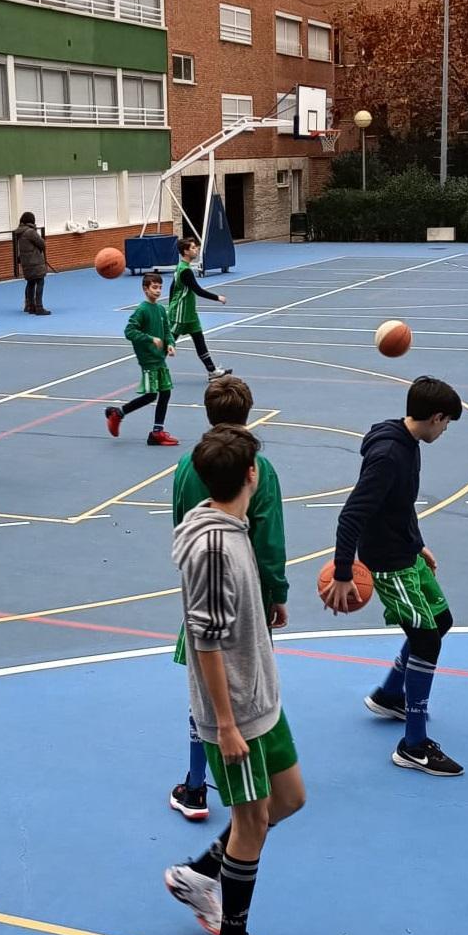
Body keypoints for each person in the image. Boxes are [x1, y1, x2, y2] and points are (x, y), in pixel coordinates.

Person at [164, 424, 306, 935]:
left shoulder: (229, 528)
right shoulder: (215, 547)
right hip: (237, 714)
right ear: (253, 476)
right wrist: (224, 725)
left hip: (261, 699)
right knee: (252, 820)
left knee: (289, 799)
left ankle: (201, 873)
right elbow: (205, 640)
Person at [322, 376, 464, 777]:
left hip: (406, 552)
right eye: (447, 422)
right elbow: (351, 515)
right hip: (388, 563)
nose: (446, 429)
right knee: (426, 641)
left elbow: (398, 505)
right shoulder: (388, 455)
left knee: (441, 622)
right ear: (435, 417)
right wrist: (345, 572)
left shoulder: (405, 440)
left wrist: (417, 542)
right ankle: (413, 745)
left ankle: (390, 695)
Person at [168, 376, 289, 822]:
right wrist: (276, 592)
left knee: (204, 687)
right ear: (249, 413)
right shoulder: (260, 469)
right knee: (248, 686)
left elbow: (181, 520)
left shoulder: (187, 464)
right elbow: (270, 537)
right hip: (246, 594)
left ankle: (196, 784)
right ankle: (255, 778)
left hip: (201, 589)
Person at [105, 272, 178, 446]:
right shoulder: (142, 310)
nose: (158, 290)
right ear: (145, 289)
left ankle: (157, 431)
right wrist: (150, 338)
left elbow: (167, 330)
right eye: (154, 287)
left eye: (160, 287)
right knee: (152, 394)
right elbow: (129, 331)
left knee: (165, 392)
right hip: (148, 360)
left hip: (160, 358)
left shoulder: (160, 309)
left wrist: (170, 343)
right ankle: (118, 413)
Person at [167, 236, 231, 379]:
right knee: (169, 341)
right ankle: (153, 368)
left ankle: (212, 371)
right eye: (193, 248)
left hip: (190, 314)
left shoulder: (181, 267)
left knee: (199, 340)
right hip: (181, 313)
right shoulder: (185, 271)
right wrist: (217, 297)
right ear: (185, 251)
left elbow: (172, 288)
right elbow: (197, 290)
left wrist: (170, 304)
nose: (196, 250)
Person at [15, 212, 51, 315]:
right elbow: (41, 243)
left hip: (26, 262)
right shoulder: (30, 232)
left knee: (30, 283)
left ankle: (30, 306)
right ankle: (39, 307)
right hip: (35, 261)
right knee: (40, 282)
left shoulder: (20, 232)